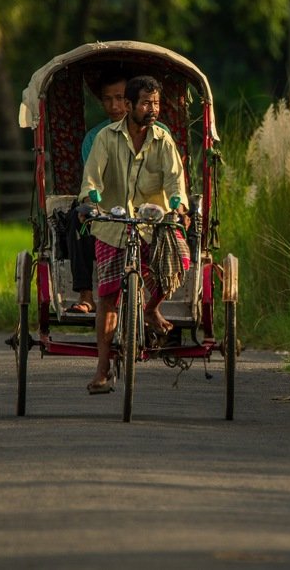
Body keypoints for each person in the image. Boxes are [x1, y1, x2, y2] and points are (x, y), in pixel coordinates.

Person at [79, 75, 189, 394]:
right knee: (108, 297)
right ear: (129, 106)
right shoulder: (105, 138)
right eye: (145, 103)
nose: (152, 109)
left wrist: (178, 204)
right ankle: (102, 369)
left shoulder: (162, 139)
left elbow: (174, 181)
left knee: (180, 259)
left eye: (155, 103)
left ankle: (151, 308)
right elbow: (91, 179)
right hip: (112, 224)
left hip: (154, 225)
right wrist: (93, 200)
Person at [65, 73, 129, 315]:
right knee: (77, 218)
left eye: (121, 98)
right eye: (107, 99)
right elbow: (92, 179)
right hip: (107, 206)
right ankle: (86, 294)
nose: (114, 106)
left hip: (145, 206)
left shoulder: (158, 134)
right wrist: (91, 203)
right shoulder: (96, 137)